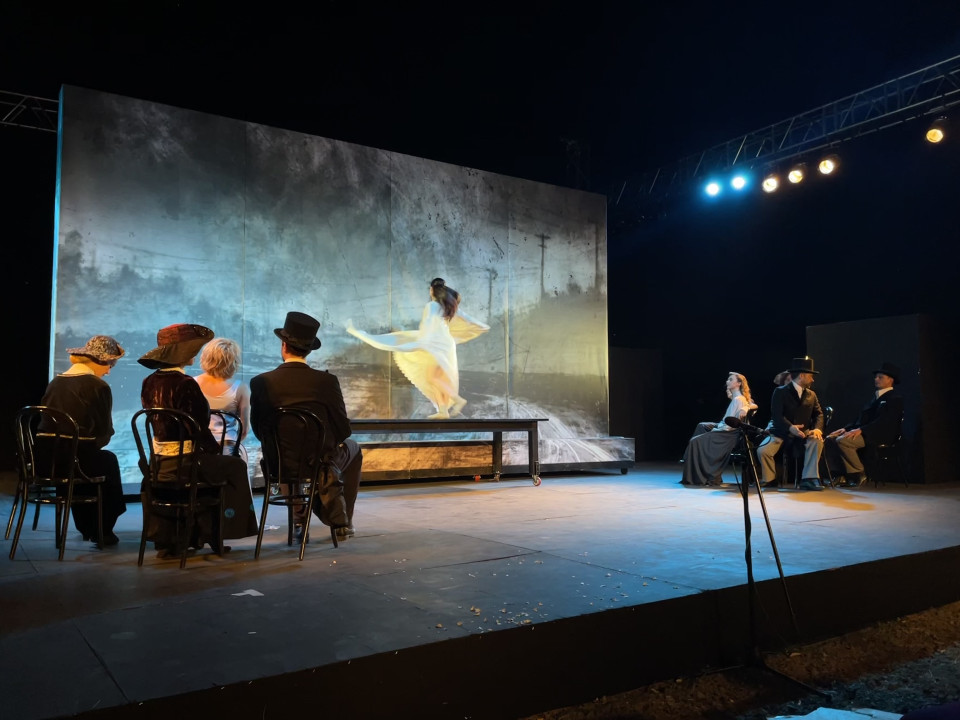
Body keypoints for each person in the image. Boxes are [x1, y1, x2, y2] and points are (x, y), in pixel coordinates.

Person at [139, 324, 258, 558]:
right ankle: (219, 532)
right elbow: (197, 428)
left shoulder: (149, 382)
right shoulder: (185, 384)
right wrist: (214, 452)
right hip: (185, 463)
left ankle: (187, 534)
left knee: (220, 464)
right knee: (234, 466)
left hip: (159, 462)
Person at [250, 311, 362, 540]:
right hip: (319, 464)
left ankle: (300, 521)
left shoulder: (261, 382)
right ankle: (343, 520)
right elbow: (343, 429)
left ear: (283, 346)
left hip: (279, 465)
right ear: (309, 350)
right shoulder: (327, 382)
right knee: (354, 449)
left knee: (287, 452)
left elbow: (259, 429)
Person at [347, 277, 489, 419]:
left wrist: (421, 340)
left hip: (435, 343)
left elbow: (427, 324)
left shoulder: (432, 305)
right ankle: (443, 411)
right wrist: (482, 326)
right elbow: (466, 318)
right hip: (444, 344)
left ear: (432, 290)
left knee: (433, 378)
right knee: (435, 378)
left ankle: (457, 400)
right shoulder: (447, 305)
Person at [38, 335, 127, 545]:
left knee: (89, 457)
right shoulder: (97, 386)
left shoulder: (55, 383)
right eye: (110, 364)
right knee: (106, 460)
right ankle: (101, 528)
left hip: (46, 460)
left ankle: (88, 526)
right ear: (100, 360)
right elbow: (104, 432)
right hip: (76, 462)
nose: (109, 371)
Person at [825, 361, 904, 487]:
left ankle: (858, 473)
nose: (876, 379)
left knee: (843, 441)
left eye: (880, 377)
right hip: (866, 431)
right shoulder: (874, 398)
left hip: (879, 434)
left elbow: (884, 421)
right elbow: (861, 418)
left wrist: (862, 430)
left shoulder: (894, 398)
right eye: (876, 377)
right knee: (830, 439)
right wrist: (846, 429)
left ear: (890, 380)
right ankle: (839, 475)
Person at [756, 356, 825, 491]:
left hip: (804, 433)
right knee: (763, 450)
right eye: (811, 376)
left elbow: (819, 414)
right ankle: (769, 479)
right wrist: (790, 427)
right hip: (781, 432)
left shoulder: (811, 394)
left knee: (816, 441)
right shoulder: (780, 392)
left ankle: (809, 479)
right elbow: (777, 416)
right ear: (802, 375)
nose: (813, 380)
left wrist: (817, 429)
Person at [680, 372, 758, 487]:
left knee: (694, 441)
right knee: (702, 426)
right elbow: (752, 404)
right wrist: (746, 406)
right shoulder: (738, 398)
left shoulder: (739, 399)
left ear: (738, 383)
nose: (727, 381)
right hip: (726, 427)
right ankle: (689, 457)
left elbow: (729, 424)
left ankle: (698, 471)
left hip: (729, 433)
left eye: (731, 379)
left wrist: (716, 430)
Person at [195, 338, 250, 462]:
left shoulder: (191, 384)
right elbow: (244, 430)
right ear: (233, 362)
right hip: (227, 451)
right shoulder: (241, 389)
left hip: (197, 450)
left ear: (205, 357)